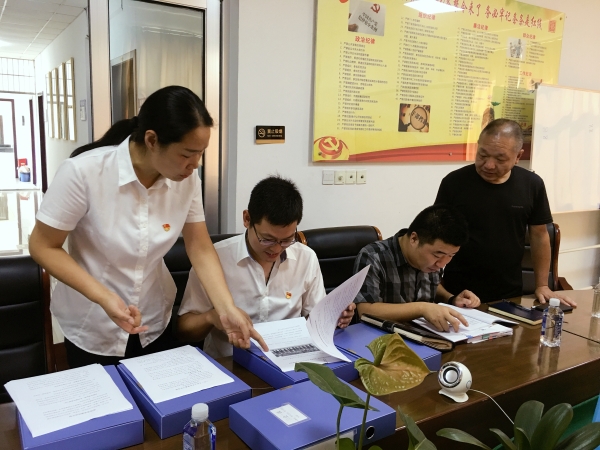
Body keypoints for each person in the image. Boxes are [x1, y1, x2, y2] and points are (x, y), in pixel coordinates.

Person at [29, 85, 266, 368]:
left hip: (154, 319)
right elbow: (42, 245)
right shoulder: (83, 173)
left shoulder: (186, 180)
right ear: (152, 140)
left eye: (200, 154)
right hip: (93, 322)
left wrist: (227, 308)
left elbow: (199, 246)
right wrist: (103, 296)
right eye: (186, 154)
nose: (194, 165)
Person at [177, 176, 355, 358]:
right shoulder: (213, 260)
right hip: (230, 363)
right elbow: (184, 330)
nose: (276, 249)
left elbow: (315, 319)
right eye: (267, 239)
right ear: (247, 219)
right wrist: (212, 317)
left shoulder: (306, 258)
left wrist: (334, 316)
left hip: (290, 359)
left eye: (287, 240)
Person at [434, 118, 575, 306]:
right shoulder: (454, 183)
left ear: (518, 156)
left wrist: (542, 285)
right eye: (483, 155)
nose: (489, 165)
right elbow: (436, 232)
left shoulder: (532, 185)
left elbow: (540, 235)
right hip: (459, 291)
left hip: (508, 291)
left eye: (500, 159)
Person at [353, 205, 480, 332]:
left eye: (451, 255)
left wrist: (451, 298)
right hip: (383, 336)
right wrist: (422, 308)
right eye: (437, 255)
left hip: (426, 333)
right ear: (414, 239)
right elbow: (365, 311)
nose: (442, 264)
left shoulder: (431, 261)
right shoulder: (373, 256)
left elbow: (431, 285)